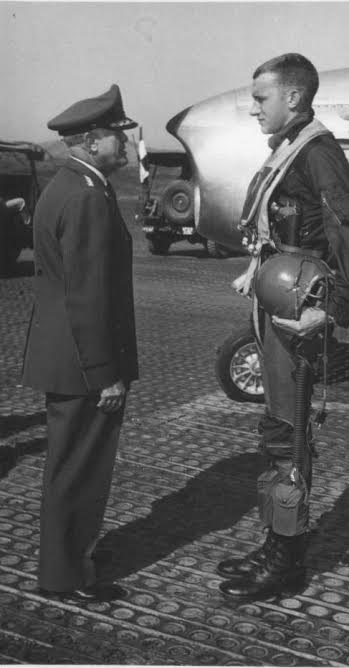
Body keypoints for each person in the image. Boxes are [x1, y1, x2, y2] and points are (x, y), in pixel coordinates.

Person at [217, 53, 349, 601]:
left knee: (289, 433)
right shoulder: (288, 150)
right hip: (273, 301)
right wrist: (255, 268)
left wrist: (332, 308)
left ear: (293, 97)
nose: (254, 109)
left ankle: (286, 560)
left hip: (297, 310)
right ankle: (274, 540)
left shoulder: (318, 154)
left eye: (261, 98)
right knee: (276, 427)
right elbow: (277, 227)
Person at [22, 84, 139, 602]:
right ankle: (67, 575)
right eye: (118, 134)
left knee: (68, 467)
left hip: (63, 356)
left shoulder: (68, 186)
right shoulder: (88, 197)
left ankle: (67, 561)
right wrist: (105, 373)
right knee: (79, 472)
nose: (127, 143)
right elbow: (88, 296)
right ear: (93, 141)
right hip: (82, 363)